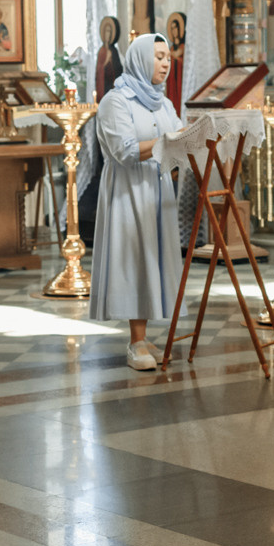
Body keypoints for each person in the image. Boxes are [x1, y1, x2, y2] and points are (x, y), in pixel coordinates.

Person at [89, 32, 181, 371]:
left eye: (168, 57)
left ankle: (143, 337)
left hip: (157, 191)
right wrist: (169, 140)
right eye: (158, 56)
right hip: (129, 191)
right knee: (133, 260)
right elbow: (125, 150)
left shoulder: (163, 102)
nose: (165, 63)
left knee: (153, 260)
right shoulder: (117, 101)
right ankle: (135, 340)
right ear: (141, 59)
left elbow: (178, 140)